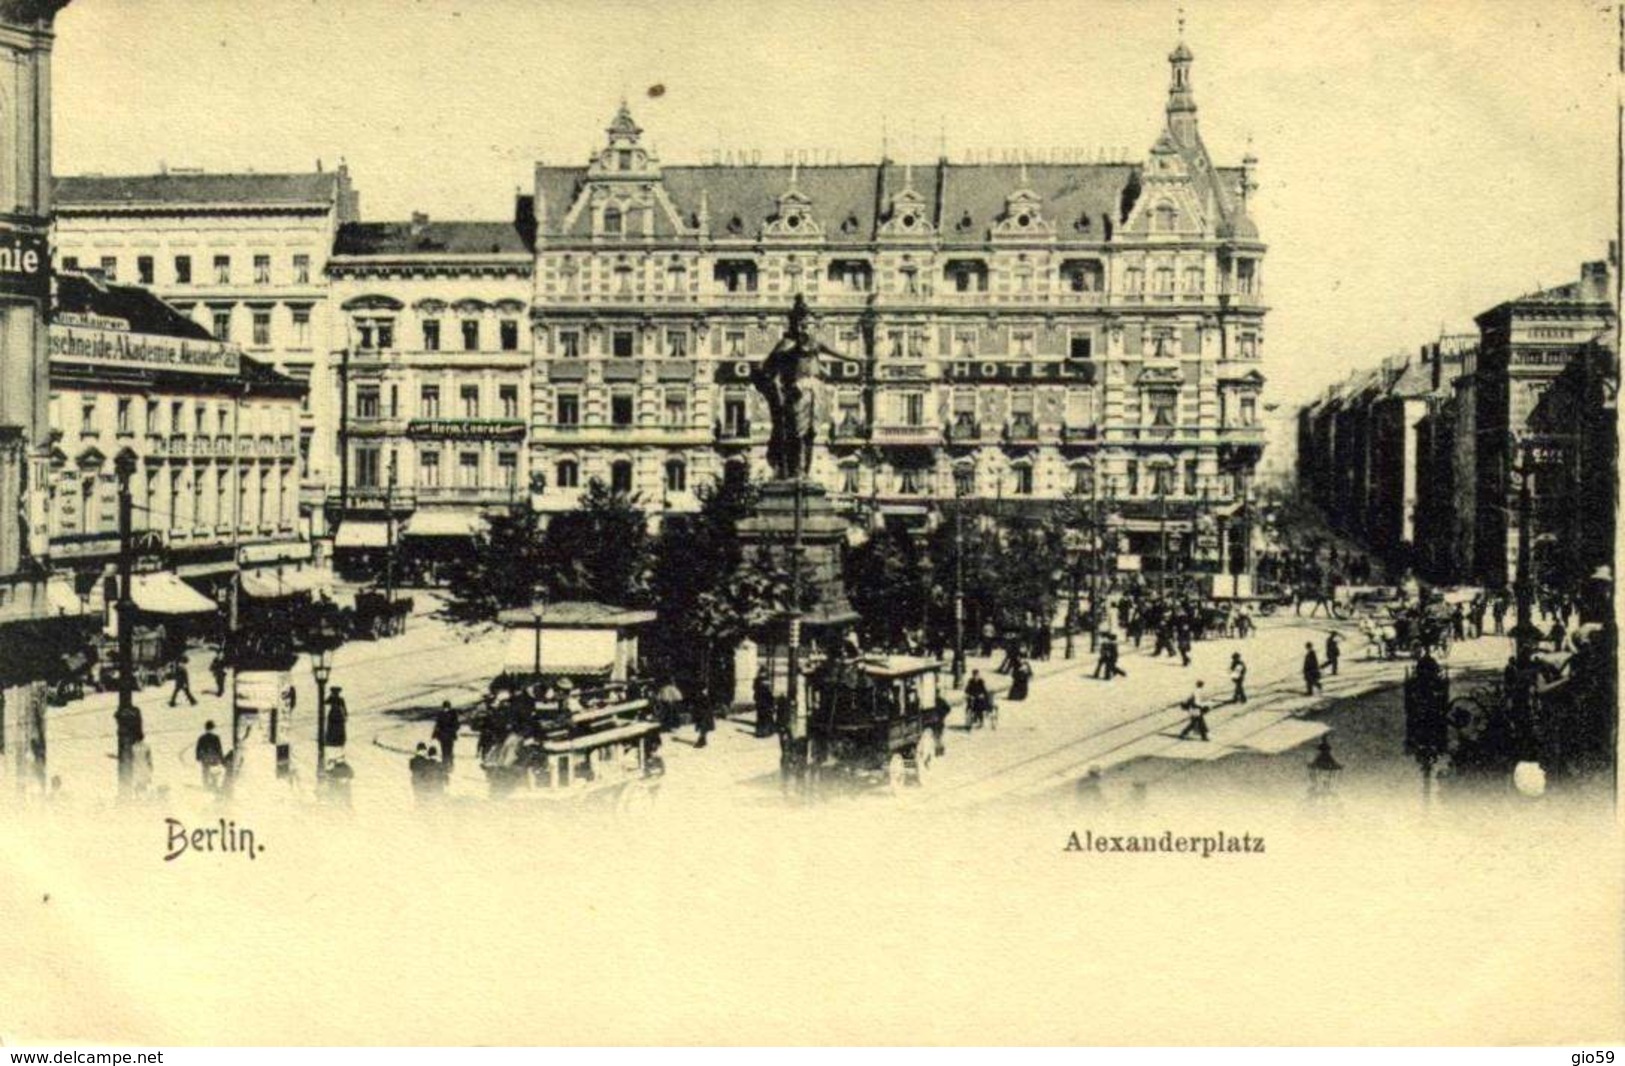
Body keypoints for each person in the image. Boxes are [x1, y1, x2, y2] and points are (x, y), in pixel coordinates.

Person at [194, 720, 225, 789]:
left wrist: (198, 756)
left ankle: (206, 784)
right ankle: (214, 784)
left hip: (205, 757)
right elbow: (219, 748)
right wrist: (221, 758)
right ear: (213, 728)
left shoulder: (201, 737)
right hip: (214, 757)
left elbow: (198, 748)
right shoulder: (216, 737)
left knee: (205, 771)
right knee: (214, 771)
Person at [432, 701, 460, 770]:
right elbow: (456, 725)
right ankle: (448, 763)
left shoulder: (443, 714)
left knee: (446, 750)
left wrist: (435, 734)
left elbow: (437, 725)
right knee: (448, 750)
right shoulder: (452, 714)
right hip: (447, 735)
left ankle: (447, 763)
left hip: (444, 735)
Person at [753, 667, 775, 738]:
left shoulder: (761, 680)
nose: (763, 674)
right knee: (763, 717)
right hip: (763, 701)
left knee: (764, 717)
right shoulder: (761, 680)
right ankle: (764, 732)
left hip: (763, 701)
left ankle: (764, 732)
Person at [325, 686, 348, 750]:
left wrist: (345, 714)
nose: (336, 694)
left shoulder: (339, 699)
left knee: (335, 727)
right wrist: (345, 714)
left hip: (336, 714)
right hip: (336, 714)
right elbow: (325, 702)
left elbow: (344, 707)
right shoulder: (334, 699)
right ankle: (335, 740)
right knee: (334, 727)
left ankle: (335, 740)